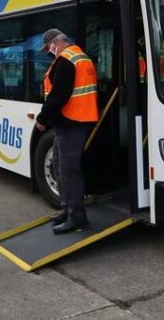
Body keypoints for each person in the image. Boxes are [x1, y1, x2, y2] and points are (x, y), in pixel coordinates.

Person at [36, 29, 99, 234]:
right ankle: (67, 210)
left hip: (72, 124)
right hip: (73, 123)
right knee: (59, 167)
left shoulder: (66, 60)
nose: (48, 52)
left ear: (56, 42)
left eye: (48, 48)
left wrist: (42, 118)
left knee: (69, 171)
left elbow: (58, 95)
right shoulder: (81, 57)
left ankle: (77, 217)